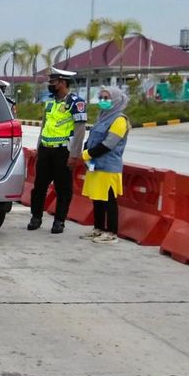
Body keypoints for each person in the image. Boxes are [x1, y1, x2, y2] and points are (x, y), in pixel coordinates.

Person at [28, 67, 87, 234]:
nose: (50, 85)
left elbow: (80, 130)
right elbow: (44, 126)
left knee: (63, 188)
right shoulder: (50, 102)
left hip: (63, 152)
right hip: (46, 150)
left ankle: (59, 221)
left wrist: (74, 155)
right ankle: (36, 217)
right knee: (39, 186)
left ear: (62, 83)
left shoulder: (76, 102)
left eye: (53, 82)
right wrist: (39, 147)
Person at [79, 88, 130, 244]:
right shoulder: (103, 117)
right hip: (95, 165)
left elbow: (108, 144)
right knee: (97, 199)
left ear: (116, 100)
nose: (103, 100)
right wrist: (86, 151)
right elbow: (92, 138)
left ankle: (112, 233)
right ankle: (98, 229)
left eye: (106, 98)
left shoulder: (120, 120)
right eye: (101, 97)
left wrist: (87, 154)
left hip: (109, 167)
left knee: (109, 200)